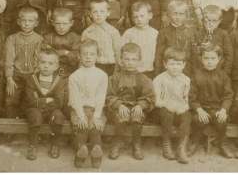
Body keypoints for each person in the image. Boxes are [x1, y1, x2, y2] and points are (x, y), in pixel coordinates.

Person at [106, 43, 156, 160]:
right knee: (121, 116)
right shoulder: (115, 77)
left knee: (137, 116)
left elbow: (150, 97)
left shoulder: (143, 78)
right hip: (120, 107)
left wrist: (140, 105)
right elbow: (110, 96)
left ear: (139, 61)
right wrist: (119, 105)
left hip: (136, 107)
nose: (130, 62)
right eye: (127, 59)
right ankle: (117, 142)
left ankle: (136, 144)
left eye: (134, 59)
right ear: (121, 60)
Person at [188, 43, 234, 159]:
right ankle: (194, 142)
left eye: (213, 58)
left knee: (221, 121)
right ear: (201, 59)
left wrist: (223, 110)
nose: (209, 61)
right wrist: (199, 110)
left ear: (219, 59)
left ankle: (223, 144)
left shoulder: (223, 76)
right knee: (198, 121)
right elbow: (192, 96)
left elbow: (228, 96)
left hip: (218, 110)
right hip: (202, 109)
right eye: (206, 58)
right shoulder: (196, 75)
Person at [69, 39, 108, 168]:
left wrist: (96, 115)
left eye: (92, 54)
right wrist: (81, 115)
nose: (88, 57)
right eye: (85, 54)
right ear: (79, 56)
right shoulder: (74, 76)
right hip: (79, 110)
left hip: (97, 110)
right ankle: (80, 154)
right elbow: (75, 98)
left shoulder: (102, 75)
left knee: (95, 129)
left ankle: (96, 154)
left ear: (97, 56)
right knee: (82, 128)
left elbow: (101, 96)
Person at [25, 48, 67, 160]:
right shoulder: (32, 78)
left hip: (52, 110)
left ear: (56, 66)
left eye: (50, 63)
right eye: (42, 62)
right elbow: (29, 100)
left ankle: (55, 144)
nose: (46, 66)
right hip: (35, 109)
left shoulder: (58, 80)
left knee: (58, 116)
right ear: (37, 64)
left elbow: (58, 102)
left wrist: (39, 101)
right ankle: (33, 145)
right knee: (34, 116)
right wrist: (47, 100)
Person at [153, 47, 192, 164]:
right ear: (165, 64)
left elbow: (188, 99)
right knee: (166, 114)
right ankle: (167, 144)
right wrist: (165, 104)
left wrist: (184, 106)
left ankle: (181, 148)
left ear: (184, 65)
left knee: (187, 116)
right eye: (172, 64)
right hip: (163, 111)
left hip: (179, 110)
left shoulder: (186, 80)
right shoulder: (159, 79)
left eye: (178, 64)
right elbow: (154, 99)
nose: (175, 67)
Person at [4, 7, 43, 119]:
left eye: (30, 21)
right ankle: (9, 132)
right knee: (11, 100)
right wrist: (9, 78)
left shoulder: (39, 39)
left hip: (32, 75)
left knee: (31, 101)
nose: (26, 24)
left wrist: (36, 79)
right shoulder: (12, 39)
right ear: (18, 22)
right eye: (24, 20)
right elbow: (9, 59)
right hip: (16, 75)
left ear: (36, 23)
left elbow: (39, 60)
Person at [42, 7, 81, 118]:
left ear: (71, 23)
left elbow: (75, 56)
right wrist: (64, 52)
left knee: (68, 98)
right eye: (58, 23)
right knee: (54, 98)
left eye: (65, 23)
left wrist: (54, 53)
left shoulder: (75, 38)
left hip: (70, 75)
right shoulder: (48, 38)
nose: (61, 27)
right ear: (52, 23)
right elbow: (45, 55)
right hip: (52, 75)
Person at [81, 0, 122, 77]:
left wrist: (117, 71)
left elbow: (118, 53)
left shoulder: (113, 32)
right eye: (95, 12)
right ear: (90, 13)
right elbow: (83, 53)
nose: (98, 15)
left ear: (108, 13)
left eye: (102, 11)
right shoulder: (87, 33)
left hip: (110, 67)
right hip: (93, 66)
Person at [154, 0, 196, 77]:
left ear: (186, 15)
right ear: (169, 14)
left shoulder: (190, 32)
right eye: (175, 13)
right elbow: (159, 55)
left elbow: (194, 56)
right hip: (167, 71)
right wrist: (157, 74)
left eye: (181, 14)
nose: (178, 17)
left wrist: (194, 74)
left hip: (186, 71)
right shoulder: (163, 32)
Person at [121, 2, 159, 79]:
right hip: (131, 72)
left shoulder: (155, 33)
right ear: (132, 18)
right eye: (135, 17)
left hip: (149, 71)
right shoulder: (129, 33)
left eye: (142, 16)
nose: (139, 19)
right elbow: (121, 52)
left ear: (150, 15)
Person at [193, 5, 234, 76]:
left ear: (220, 20)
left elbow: (229, 55)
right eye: (208, 21)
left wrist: (225, 73)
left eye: (214, 21)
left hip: (219, 72)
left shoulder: (223, 34)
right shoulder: (198, 35)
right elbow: (195, 55)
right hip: (202, 72)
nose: (210, 24)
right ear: (203, 20)